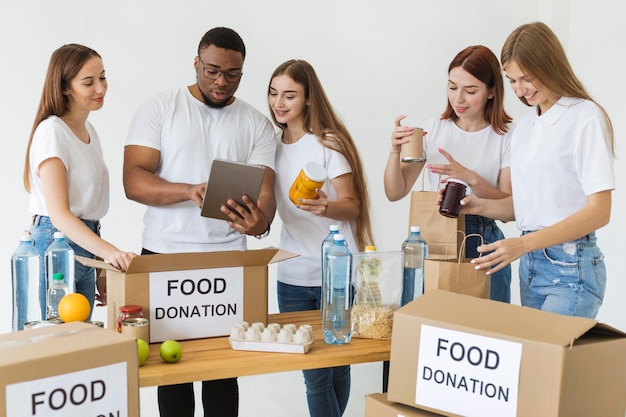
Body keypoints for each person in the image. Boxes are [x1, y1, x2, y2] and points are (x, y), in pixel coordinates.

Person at [123, 27, 276, 417]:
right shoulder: (160, 107)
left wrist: (258, 223)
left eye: (232, 74)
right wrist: (188, 190)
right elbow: (133, 181)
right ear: (196, 63)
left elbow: (265, 199)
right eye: (211, 71)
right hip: (163, 255)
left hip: (227, 259)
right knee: (170, 370)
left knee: (224, 371)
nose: (221, 82)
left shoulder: (257, 123)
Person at [463, 22, 615, 319]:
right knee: (537, 364)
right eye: (513, 81)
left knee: (549, 362)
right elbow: (523, 208)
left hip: (571, 267)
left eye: (527, 78)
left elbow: (599, 212)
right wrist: (474, 205)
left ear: (549, 65)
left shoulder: (584, 116)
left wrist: (522, 243)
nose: (521, 90)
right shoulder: (525, 127)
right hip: (531, 266)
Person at [268, 59, 374, 417]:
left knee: (338, 365)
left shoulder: (328, 144)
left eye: (290, 95)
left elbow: (354, 206)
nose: (279, 103)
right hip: (292, 276)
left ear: (309, 99)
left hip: (336, 273)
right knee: (316, 374)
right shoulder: (270, 146)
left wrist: (327, 207)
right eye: (273, 93)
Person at [384, 45, 514, 303]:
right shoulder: (435, 128)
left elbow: (510, 208)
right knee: (429, 324)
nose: (459, 99)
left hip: (483, 238)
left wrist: (471, 178)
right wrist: (394, 151)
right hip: (436, 235)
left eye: (470, 90)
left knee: (488, 328)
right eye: (453, 87)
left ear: (491, 92)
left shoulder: (507, 135)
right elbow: (394, 192)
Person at [25, 43, 137, 318]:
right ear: (65, 87)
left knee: (81, 336)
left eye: (102, 77)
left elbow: (85, 212)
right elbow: (60, 215)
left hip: (85, 241)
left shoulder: (90, 132)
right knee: (62, 341)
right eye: (88, 82)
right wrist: (111, 253)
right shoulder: (52, 132)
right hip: (57, 241)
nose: (100, 88)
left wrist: (99, 265)